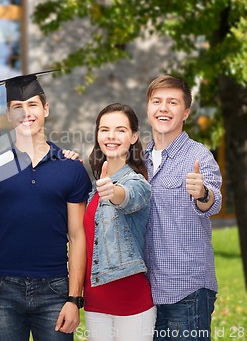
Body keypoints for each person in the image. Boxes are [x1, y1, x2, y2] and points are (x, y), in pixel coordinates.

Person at [0, 71, 92, 341]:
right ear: (9, 116)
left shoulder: (70, 167)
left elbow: (77, 235)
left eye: (33, 105)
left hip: (55, 289)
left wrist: (74, 297)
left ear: (45, 109)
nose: (26, 113)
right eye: (17, 108)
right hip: (2, 288)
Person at [143, 75, 222, 341]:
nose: (163, 108)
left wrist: (202, 193)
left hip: (186, 291)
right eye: (157, 101)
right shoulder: (139, 159)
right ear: (148, 108)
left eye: (172, 102)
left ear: (186, 112)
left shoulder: (198, 156)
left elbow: (213, 202)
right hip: (144, 294)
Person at [84, 103, 156, 341]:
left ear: (133, 136)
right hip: (95, 302)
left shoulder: (137, 183)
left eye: (120, 130)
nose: (111, 136)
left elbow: (127, 197)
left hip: (130, 301)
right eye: (104, 130)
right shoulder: (92, 191)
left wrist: (113, 191)